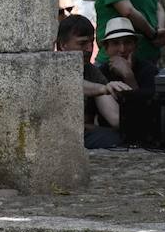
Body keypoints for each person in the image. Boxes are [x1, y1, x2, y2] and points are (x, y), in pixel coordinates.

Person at [55, 14, 130, 148]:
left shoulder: (90, 70)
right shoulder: (51, 67)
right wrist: (104, 89)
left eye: (91, 42)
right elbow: (72, 84)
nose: (90, 49)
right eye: (82, 43)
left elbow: (115, 118)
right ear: (63, 45)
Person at [95, 16, 158, 91]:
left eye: (127, 42)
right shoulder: (99, 74)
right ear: (106, 49)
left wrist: (128, 75)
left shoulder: (149, 71)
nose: (122, 49)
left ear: (136, 46)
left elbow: (145, 101)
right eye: (115, 43)